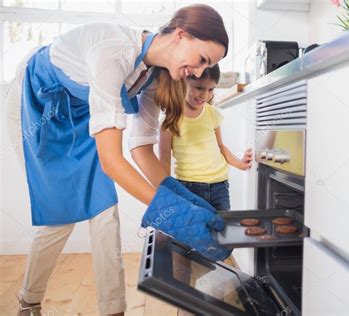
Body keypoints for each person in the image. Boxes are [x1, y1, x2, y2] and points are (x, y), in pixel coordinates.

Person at [5, 4, 229, 316]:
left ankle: (113, 310)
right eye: (202, 60)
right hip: (38, 105)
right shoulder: (112, 52)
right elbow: (113, 162)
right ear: (181, 35)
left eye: (209, 68)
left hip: (83, 112)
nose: (201, 72)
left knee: (105, 213)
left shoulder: (156, 78)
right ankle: (29, 301)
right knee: (60, 218)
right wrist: (174, 215)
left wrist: (187, 202)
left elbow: (141, 150)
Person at [158, 63, 252, 211]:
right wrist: (166, 192)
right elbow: (164, 160)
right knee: (193, 232)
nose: (205, 95)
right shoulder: (170, 119)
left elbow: (220, 146)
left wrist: (240, 164)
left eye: (211, 89)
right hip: (188, 187)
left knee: (222, 231)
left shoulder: (211, 113)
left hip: (219, 186)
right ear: (183, 81)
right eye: (199, 88)